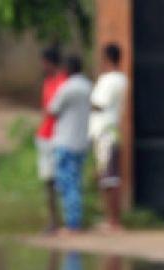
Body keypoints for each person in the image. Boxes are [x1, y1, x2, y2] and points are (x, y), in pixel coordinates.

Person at [47, 54, 93, 234]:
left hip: (66, 141)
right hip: (82, 142)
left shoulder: (66, 88)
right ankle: (75, 221)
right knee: (76, 181)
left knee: (68, 183)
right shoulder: (89, 86)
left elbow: (52, 110)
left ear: (68, 69)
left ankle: (72, 224)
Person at [89, 43, 129, 230]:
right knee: (107, 178)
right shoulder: (121, 79)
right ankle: (111, 219)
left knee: (109, 179)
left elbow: (99, 104)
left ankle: (113, 221)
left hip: (105, 132)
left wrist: (86, 104)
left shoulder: (109, 80)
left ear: (107, 58)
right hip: (110, 130)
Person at [35, 48, 68, 233]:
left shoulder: (63, 83)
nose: (42, 66)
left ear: (50, 62)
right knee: (49, 180)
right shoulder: (48, 82)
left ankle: (63, 220)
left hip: (59, 137)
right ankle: (54, 220)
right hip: (45, 135)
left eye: (44, 62)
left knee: (61, 179)